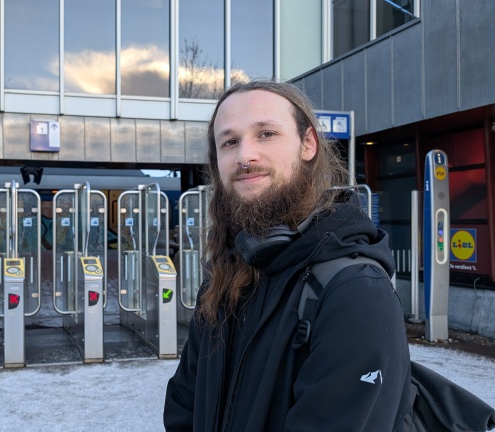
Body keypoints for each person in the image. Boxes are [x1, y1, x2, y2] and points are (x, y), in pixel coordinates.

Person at [163, 81, 412, 431]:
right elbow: (183, 407)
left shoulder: (355, 291)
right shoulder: (226, 274)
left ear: (308, 144)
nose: (245, 157)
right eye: (230, 142)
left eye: (265, 133)